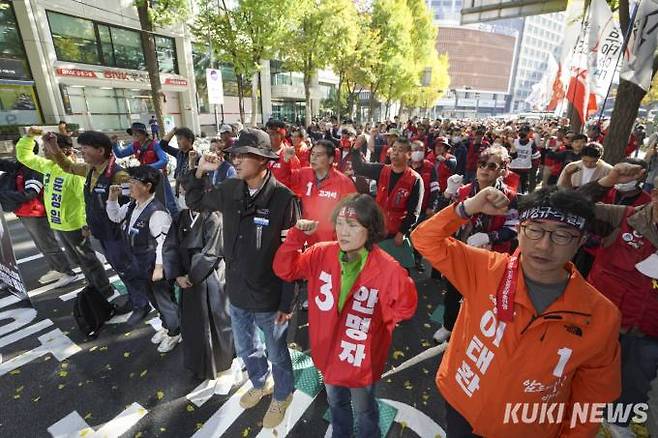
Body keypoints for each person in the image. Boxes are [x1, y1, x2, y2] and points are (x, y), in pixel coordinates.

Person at [411, 185, 621, 438]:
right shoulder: (485, 268)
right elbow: (424, 239)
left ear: (582, 240)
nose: (544, 246)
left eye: (562, 235)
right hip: (462, 405)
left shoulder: (600, 316)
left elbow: (593, 394)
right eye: (535, 230)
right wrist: (467, 208)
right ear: (519, 230)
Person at [273, 194, 418, 438]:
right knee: (336, 402)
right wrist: (296, 236)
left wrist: (379, 325)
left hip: (361, 359)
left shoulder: (389, 268)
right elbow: (285, 269)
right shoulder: (321, 254)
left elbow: (406, 307)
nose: (343, 231)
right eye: (339, 223)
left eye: (352, 225)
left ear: (370, 229)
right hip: (327, 354)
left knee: (363, 409)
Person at [183, 128, 300, 429]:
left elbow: (293, 256)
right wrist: (199, 171)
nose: (235, 159)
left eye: (243, 154)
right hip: (236, 291)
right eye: (234, 154)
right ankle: (260, 383)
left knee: (277, 352)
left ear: (264, 160)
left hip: (268, 297)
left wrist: (288, 302)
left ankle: (283, 394)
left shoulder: (284, 199)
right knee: (247, 348)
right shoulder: (230, 188)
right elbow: (195, 202)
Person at [578, 164, 657, 438]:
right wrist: (608, 180)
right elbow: (570, 206)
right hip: (601, 321)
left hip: (649, 330)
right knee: (580, 372)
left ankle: (619, 422)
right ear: (655, 195)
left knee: (636, 382)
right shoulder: (621, 217)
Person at [43, 130, 156, 318]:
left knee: (128, 269)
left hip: (118, 236)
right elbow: (67, 166)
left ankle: (142, 304)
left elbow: (138, 202)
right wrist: (53, 147)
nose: (81, 152)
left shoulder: (119, 176)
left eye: (85, 149)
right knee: (120, 268)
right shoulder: (90, 170)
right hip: (102, 232)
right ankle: (135, 299)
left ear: (101, 151)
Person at [434, 145, 519, 344]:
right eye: (482, 164)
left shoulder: (510, 197)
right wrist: (447, 194)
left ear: (502, 170)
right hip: (461, 251)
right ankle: (447, 325)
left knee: (482, 297)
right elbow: (440, 218)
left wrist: (490, 237)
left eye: (492, 166)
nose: (485, 169)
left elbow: (514, 228)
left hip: (491, 257)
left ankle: (472, 333)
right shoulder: (463, 190)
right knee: (453, 292)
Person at [16, 129, 114, 297]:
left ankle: (104, 291)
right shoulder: (47, 166)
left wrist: (85, 224)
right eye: (44, 149)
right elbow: (24, 156)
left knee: (88, 260)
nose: (45, 152)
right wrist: (29, 136)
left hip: (75, 225)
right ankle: (93, 287)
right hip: (58, 223)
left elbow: (86, 201)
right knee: (78, 260)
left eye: (48, 148)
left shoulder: (74, 172)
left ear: (62, 150)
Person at [107, 166, 180, 348]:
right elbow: (115, 217)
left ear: (147, 186)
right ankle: (167, 326)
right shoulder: (133, 205)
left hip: (153, 267)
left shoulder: (157, 212)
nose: (128, 185)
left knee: (165, 301)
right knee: (154, 300)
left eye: (133, 182)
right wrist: (112, 199)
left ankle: (175, 331)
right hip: (140, 265)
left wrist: (159, 268)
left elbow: (165, 244)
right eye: (129, 181)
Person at [163, 201, 234, 381]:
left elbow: (211, 253)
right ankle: (197, 364)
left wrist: (192, 276)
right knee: (193, 325)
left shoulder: (214, 217)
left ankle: (222, 363)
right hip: (187, 278)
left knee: (217, 322)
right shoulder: (181, 217)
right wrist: (178, 274)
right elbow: (170, 246)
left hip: (210, 277)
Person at [0, 138, 77, 288]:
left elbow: (30, 193)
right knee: (41, 245)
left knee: (48, 244)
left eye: (18, 149)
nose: (14, 152)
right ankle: (57, 268)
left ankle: (67, 272)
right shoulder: (20, 165)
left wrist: (4, 195)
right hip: (25, 211)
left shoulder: (34, 167)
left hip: (36, 212)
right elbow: (2, 163)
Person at [350, 136, 423, 269]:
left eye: (400, 150)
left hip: (396, 232)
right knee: (374, 267)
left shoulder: (415, 179)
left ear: (409, 155)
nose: (395, 153)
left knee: (397, 269)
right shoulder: (382, 170)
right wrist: (355, 149)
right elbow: (359, 168)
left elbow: (414, 211)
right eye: (394, 149)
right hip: (377, 228)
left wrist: (402, 232)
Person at [280, 139, 356, 244]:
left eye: (319, 155)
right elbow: (284, 183)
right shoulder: (304, 174)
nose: (313, 158)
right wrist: (285, 162)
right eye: (312, 154)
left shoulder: (344, 183)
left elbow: (353, 216)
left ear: (330, 159)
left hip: (331, 244)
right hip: (308, 241)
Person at [112, 122, 177, 217]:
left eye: (137, 132)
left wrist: (148, 167)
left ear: (144, 133)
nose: (135, 135)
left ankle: (176, 222)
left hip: (158, 176)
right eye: (133, 133)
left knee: (168, 201)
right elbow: (120, 154)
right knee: (147, 200)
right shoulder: (135, 146)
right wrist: (114, 144)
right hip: (145, 178)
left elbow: (164, 160)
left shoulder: (154, 145)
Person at [159, 127, 196, 200]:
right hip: (180, 190)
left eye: (180, 139)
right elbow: (162, 145)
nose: (178, 142)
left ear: (189, 140)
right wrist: (173, 131)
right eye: (177, 139)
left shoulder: (195, 156)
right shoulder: (179, 153)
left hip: (190, 192)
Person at [266, 119, 300, 189]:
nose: (268, 137)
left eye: (272, 134)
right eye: (267, 133)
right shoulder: (262, 154)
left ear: (281, 136)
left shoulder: (291, 156)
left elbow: (296, 183)